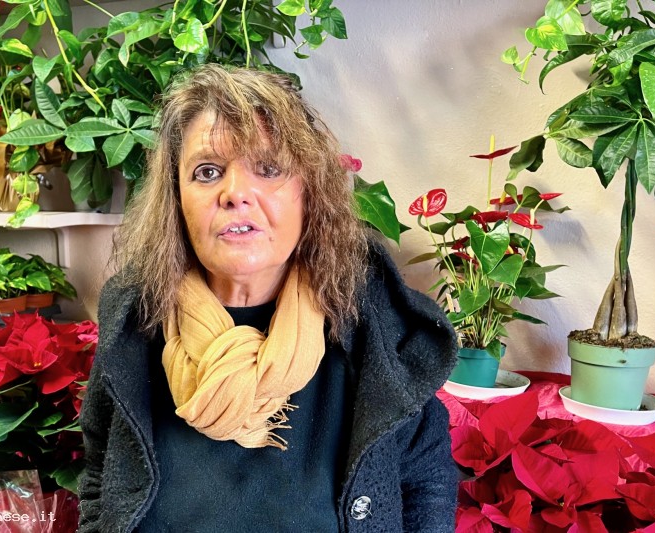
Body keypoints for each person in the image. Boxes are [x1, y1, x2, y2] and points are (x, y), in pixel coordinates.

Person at [78, 63, 458, 533]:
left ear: (309, 191)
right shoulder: (135, 315)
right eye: (207, 171)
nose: (235, 193)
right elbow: (99, 470)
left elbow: (425, 475)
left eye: (268, 168)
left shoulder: (371, 318)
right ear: (176, 199)